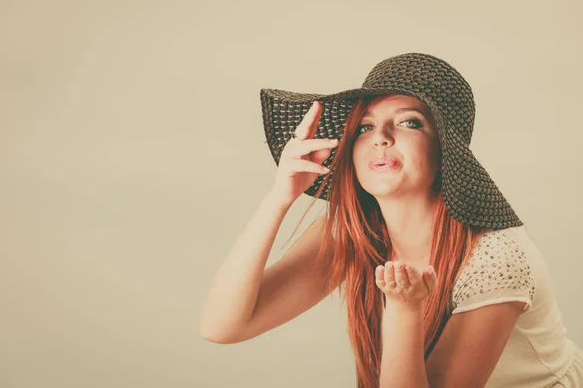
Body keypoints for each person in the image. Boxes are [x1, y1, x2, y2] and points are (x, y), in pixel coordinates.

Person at [199, 53, 583, 387]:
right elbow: (222, 327)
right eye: (365, 127)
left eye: (409, 122)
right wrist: (279, 198)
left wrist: (404, 310)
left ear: (444, 150)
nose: (380, 137)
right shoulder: (353, 233)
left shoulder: (496, 257)